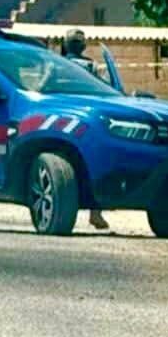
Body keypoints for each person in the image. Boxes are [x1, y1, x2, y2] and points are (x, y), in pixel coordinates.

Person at [62, 28, 110, 232]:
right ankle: (95, 212)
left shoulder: (57, 63)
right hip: (86, 120)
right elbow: (105, 89)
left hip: (63, 118)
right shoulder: (91, 66)